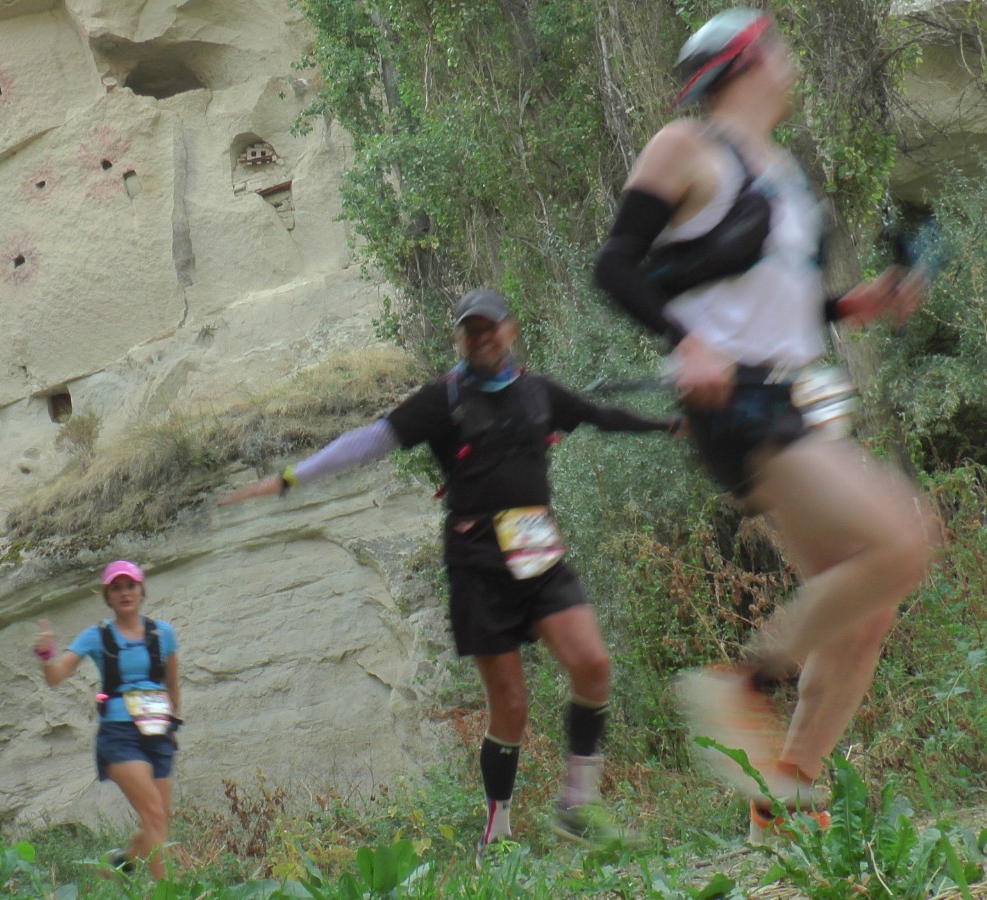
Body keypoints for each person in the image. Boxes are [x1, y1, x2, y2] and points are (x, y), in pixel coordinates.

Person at [592, 8, 938, 843]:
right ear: (743, 64)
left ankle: (783, 806)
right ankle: (743, 682)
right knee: (904, 541)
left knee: (863, 610)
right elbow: (613, 265)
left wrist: (852, 305)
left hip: (789, 394)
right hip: (736, 404)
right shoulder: (686, 146)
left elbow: (771, 304)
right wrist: (686, 342)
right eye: (776, 46)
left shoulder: (781, 171)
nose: (790, 60)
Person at [221, 287, 679, 851]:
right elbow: (368, 442)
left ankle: (578, 807)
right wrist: (291, 478)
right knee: (511, 707)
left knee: (593, 664)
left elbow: (599, 415)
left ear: (510, 330)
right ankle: (498, 835)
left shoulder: (539, 392)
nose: (482, 337)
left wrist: (667, 425)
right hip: (477, 564)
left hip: (538, 552)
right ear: (458, 339)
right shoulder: (442, 400)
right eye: (471, 330)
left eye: (490, 326)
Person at [33, 560, 181, 879]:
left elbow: (172, 684)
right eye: (116, 588)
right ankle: (168, 891)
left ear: (141, 590)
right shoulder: (96, 636)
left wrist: (173, 725)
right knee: (154, 815)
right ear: (107, 596)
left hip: (158, 731)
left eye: (130, 586)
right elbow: (55, 676)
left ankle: (119, 864)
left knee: (159, 821)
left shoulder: (162, 633)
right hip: (120, 735)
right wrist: (45, 655)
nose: (124, 593)